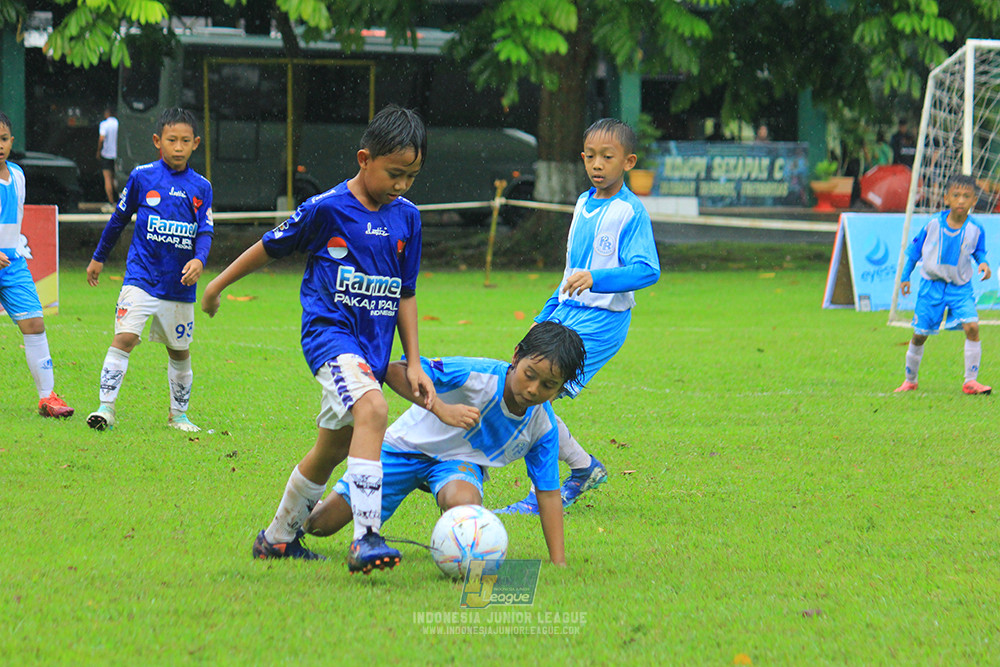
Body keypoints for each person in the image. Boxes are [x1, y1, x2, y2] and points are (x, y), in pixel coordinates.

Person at [201, 104, 435, 573]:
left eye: (412, 176)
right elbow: (268, 247)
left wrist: (413, 360)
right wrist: (216, 285)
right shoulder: (327, 208)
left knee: (333, 449)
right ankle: (366, 537)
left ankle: (277, 539)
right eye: (395, 174)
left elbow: (406, 294)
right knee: (374, 409)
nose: (402, 185)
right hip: (330, 337)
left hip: (372, 350)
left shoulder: (408, 218)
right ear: (364, 159)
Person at [304, 321, 587, 566]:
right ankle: (301, 516)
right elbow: (393, 371)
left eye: (548, 385)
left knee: (464, 504)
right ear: (516, 356)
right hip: (404, 449)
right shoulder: (476, 375)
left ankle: (456, 554)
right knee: (320, 526)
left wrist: (558, 562)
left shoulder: (543, 427)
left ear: (560, 389)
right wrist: (441, 409)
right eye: (529, 375)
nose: (533, 389)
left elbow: (548, 493)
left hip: (457, 465)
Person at [498, 118, 660, 515]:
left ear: (628, 162)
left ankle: (545, 493)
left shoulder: (630, 211)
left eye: (607, 157)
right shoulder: (584, 203)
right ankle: (583, 468)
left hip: (602, 321)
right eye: (590, 156)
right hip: (567, 313)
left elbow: (648, 270)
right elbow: (571, 273)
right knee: (519, 384)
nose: (597, 164)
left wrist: (597, 279)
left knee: (533, 391)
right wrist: (543, 316)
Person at [85, 108, 214, 432]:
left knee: (179, 350)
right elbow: (118, 219)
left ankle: (178, 415)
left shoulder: (201, 187)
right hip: (141, 278)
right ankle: (105, 408)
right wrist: (99, 257)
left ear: (196, 143)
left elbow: (205, 231)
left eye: (185, 141)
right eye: (172, 140)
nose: (178, 147)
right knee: (125, 337)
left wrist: (199, 259)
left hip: (179, 285)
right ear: (158, 141)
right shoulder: (142, 177)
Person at [0, 110, 74, 418]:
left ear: (12, 141)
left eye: (3, 138)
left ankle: (47, 398)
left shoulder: (18, 174)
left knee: (34, 324)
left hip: (12, 263)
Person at [895, 173, 992, 395]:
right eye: (956, 195)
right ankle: (910, 380)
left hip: (960, 288)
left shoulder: (976, 228)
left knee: (972, 327)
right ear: (946, 198)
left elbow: (979, 251)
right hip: (932, 287)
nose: (961, 200)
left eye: (966, 196)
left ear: (974, 200)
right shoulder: (932, 224)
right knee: (920, 334)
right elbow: (914, 252)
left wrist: (984, 264)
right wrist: (905, 276)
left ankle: (970, 381)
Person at [97, 106, 119, 211]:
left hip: (107, 154)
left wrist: (98, 151)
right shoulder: (118, 123)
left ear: (106, 114)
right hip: (117, 155)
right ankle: (121, 201)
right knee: (116, 179)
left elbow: (101, 138)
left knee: (107, 179)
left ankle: (111, 202)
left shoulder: (104, 124)